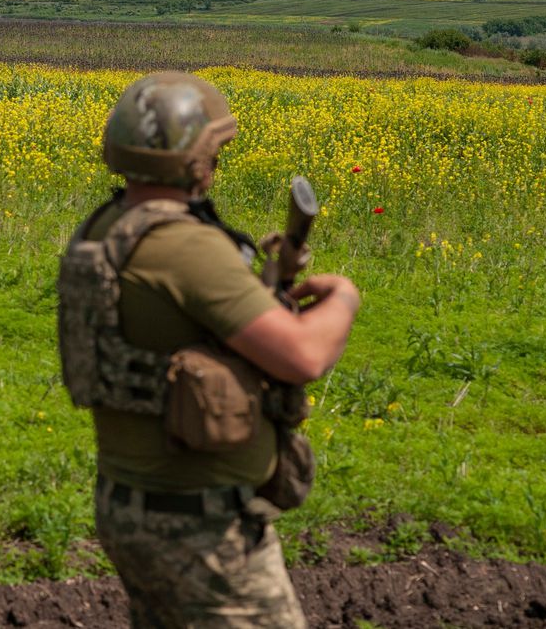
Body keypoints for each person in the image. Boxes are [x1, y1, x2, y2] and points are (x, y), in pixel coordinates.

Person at [57, 72, 360, 628]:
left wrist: (266, 283)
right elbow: (302, 357)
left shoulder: (108, 227)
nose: (217, 163)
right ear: (195, 159)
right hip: (200, 528)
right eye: (215, 151)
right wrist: (342, 298)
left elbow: (176, 327)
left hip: (130, 502)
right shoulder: (185, 247)